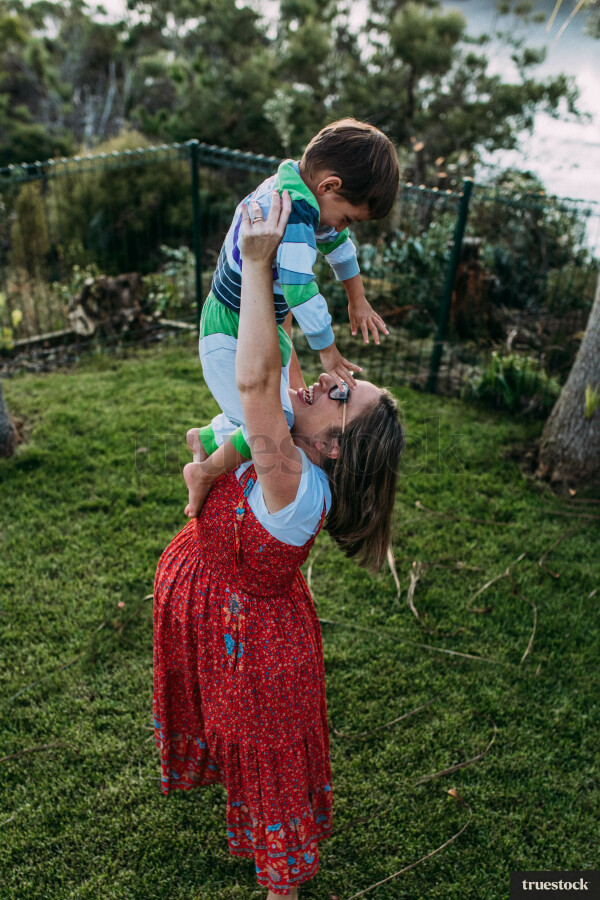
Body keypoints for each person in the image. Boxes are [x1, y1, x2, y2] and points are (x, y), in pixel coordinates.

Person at [153, 191, 405, 898]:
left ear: (333, 450)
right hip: (221, 612)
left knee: (267, 763)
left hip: (260, 653)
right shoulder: (291, 445)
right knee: (234, 739)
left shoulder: (292, 479)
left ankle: (281, 886)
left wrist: (259, 267)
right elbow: (277, 361)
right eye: (342, 380)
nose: (331, 381)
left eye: (340, 395)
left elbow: (257, 376)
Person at [186, 118, 399, 515]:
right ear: (330, 186)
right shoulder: (295, 212)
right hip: (228, 326)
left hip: (262, 322)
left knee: (277, 408)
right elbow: (301, 289)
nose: (341, 226)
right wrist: (329, 352)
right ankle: (204, 471)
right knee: (276, 421)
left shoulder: (307, 198)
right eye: (349, 217)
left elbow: (339, 246)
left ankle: (210, 436)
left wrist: (358, 299)